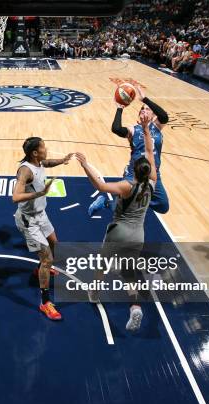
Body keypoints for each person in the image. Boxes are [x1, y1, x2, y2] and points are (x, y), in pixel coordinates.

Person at [76, 110, 157, 331]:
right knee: (128, 271)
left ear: (134, 170)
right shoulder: (153, 182)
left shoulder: (126, 186)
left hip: (119, 231)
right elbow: (151, 150)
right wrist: (148, 128)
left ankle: (94, 292)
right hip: (138, 234)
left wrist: (85, 165)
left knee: (103, 263)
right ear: (148, 171)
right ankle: (135, 308)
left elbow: (101, 186)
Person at [13, 137, 73, 320]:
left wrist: (62, 160)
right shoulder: (25, 171)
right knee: (47, 258)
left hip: (41, 215)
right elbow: (15, 197)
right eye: (43, 147)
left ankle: (40, 269)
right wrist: (40, 193)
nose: (46, 150)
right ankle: (45, 302)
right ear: (34, 153)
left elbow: (47, 163)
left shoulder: (38, 162)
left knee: (55, 244)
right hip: (28, 220)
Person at [89, 85, 169, 215]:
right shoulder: (133, 130)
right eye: (142, 109)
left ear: (153, 114)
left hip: (153, 175)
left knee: (163, 206)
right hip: (134, 174)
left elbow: (164, 116)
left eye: (147, 109)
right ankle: (105, 203)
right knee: (121, 210)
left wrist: (145, 100)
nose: (144, 110)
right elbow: (116, 128)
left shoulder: (157, 126)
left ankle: (134, 201)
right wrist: (120, 108)